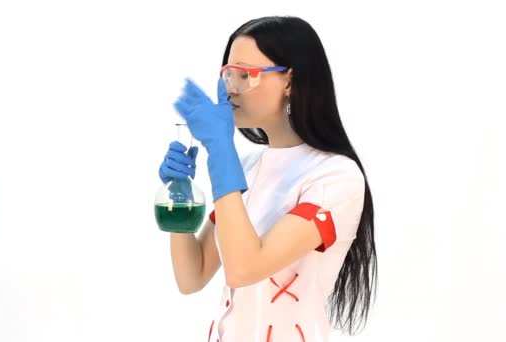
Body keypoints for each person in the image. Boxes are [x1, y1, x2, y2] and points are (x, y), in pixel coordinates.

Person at [158, 15, 377, 342]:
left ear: (289, 81)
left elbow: (244, 268)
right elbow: (193, 275)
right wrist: (179, 194)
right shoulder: (245, 167)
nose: (230, 89)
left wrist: (221, 154)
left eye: (245, 75)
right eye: (228, 74)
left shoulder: (336, 177)